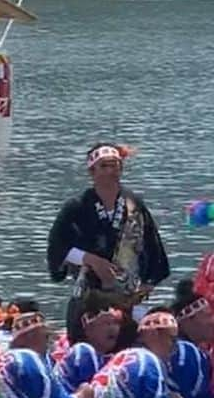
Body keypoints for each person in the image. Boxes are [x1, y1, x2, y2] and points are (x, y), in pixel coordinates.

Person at [47, 143, 170, 343]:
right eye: (104, 166)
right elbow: (57, 246)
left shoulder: (134, 205)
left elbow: (152, 246)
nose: (111, 171)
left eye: (115, 165)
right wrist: (90, 259)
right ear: (92, 171)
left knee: (127, 344)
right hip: (89, 295)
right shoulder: (77, 206)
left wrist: (149, 283)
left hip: (126, 295)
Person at [91, 309, 184, 398]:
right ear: (153, 335)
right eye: (172, 339)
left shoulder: (121, 356)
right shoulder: (150, 363)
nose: (175, 348)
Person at [169, 280, 214, 398]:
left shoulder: (186, 350)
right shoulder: (187, 353)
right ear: (187, 321)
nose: (212, 321)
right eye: (207, 316)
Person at [54, 306, 123, 393]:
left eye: (115, 323)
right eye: (106, 323)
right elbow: (91, 396)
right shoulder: (82, 352)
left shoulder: (111, 359)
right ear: (88, 327)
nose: (113, 328)